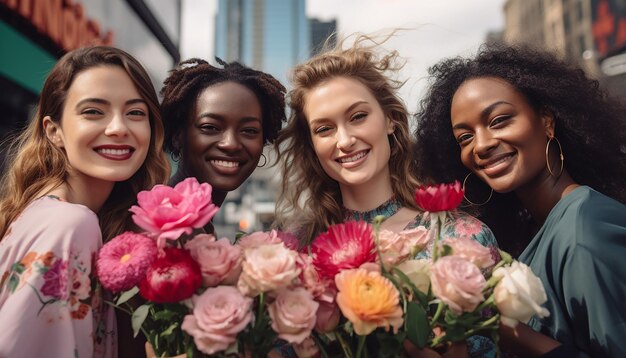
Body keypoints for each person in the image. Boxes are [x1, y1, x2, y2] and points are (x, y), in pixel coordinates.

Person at [274, 34, 500, 357]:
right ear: (312, 145)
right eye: (324, 129)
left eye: (358, 117)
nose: (345, 140)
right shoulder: (296, 253)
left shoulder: (461, 240)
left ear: (390, 119)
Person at [414, 44, 626, 357]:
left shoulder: (584, 232)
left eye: (499, 120)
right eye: (465, 137)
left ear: (547, 120)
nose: (481, 145)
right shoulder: (536, 229)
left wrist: (504, 330)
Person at [0, 46, 170, 357]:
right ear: (54, 131)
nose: (118, 128)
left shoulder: (47, 213)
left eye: (135, 112)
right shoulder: (70, 223)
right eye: (93, 111)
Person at [160, 57, 287, 231]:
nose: (231, 144)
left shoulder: (200, 226)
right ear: (177, 135)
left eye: (249, 131)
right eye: (210, 127)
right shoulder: (161, 228)